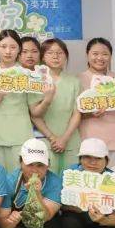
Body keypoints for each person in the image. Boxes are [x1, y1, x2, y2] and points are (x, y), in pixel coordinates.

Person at [0, 30, 41, 172]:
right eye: (3, 46)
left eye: (13, 47)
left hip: (21, 135)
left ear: (19, 49)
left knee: (19, 178)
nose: (8, 51)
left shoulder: (28, 74)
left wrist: (49, 97)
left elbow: (35, 111)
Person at [30, 38, 81, 174]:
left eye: (60, 53)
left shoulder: (74, 81)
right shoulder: (35, 80)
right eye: (50, 53)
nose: (55, 56)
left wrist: (64, 138)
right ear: (42, 57)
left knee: (71, 179)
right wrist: (53, 138)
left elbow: (77, 113)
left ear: (66, 56)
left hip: (70, 139)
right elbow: (34, 115)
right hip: (45, 140)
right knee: (46, 179)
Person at [79, 38, 115, 165]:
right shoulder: (77, 80)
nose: (100, 58)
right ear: (87, 55)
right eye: (95, 54)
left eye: (105, 54)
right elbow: (71, 114)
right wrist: (90, 114)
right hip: (89, 141)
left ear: (111, 56)